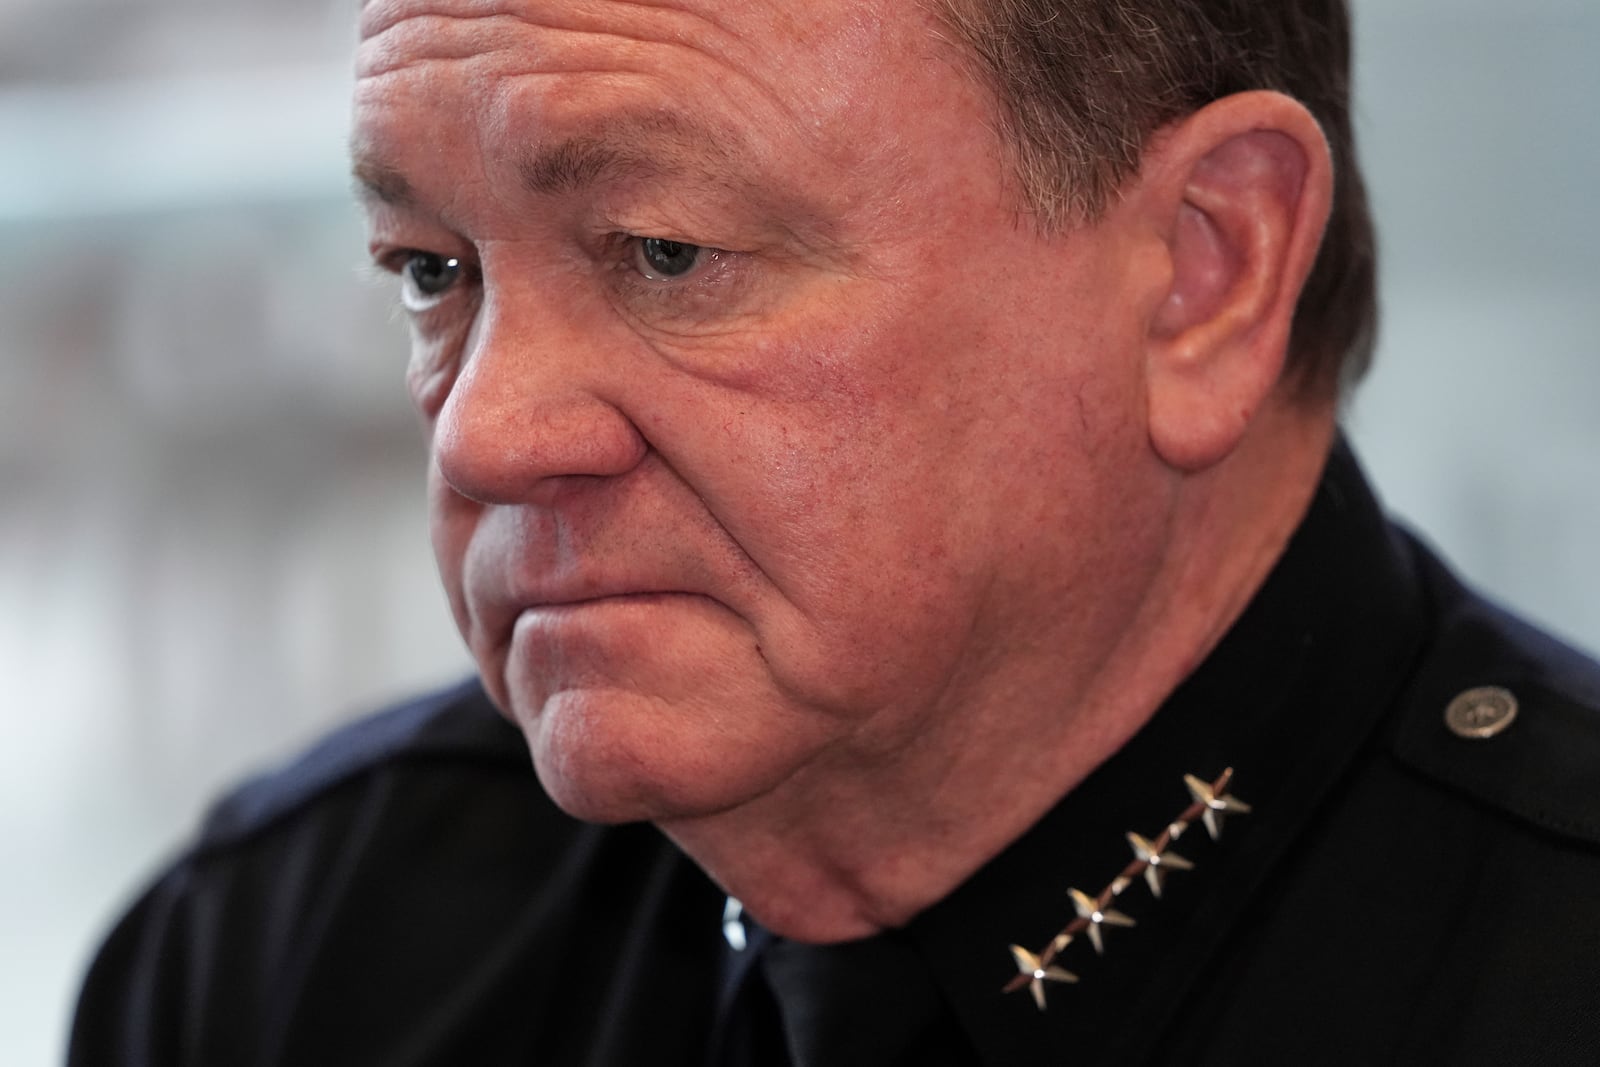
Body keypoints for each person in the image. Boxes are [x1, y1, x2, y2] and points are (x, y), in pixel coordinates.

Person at [69, 0, 1600, 1064]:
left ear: (1205, 273)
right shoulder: (294, 952)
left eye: (668, 254)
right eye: (427, 271)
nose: (486, 432)